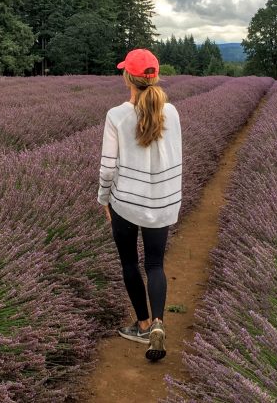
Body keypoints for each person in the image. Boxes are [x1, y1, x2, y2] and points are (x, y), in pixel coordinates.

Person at [98, 48, 182, 362]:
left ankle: (143, 324)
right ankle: (159, 322)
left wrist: (103, 199)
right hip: (162, 202)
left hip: (126, 203)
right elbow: (175, 156)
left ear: (127, 78)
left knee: (130, 264)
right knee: (156, 265)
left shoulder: (116, 115)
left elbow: (107, 168)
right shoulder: (171, 113)